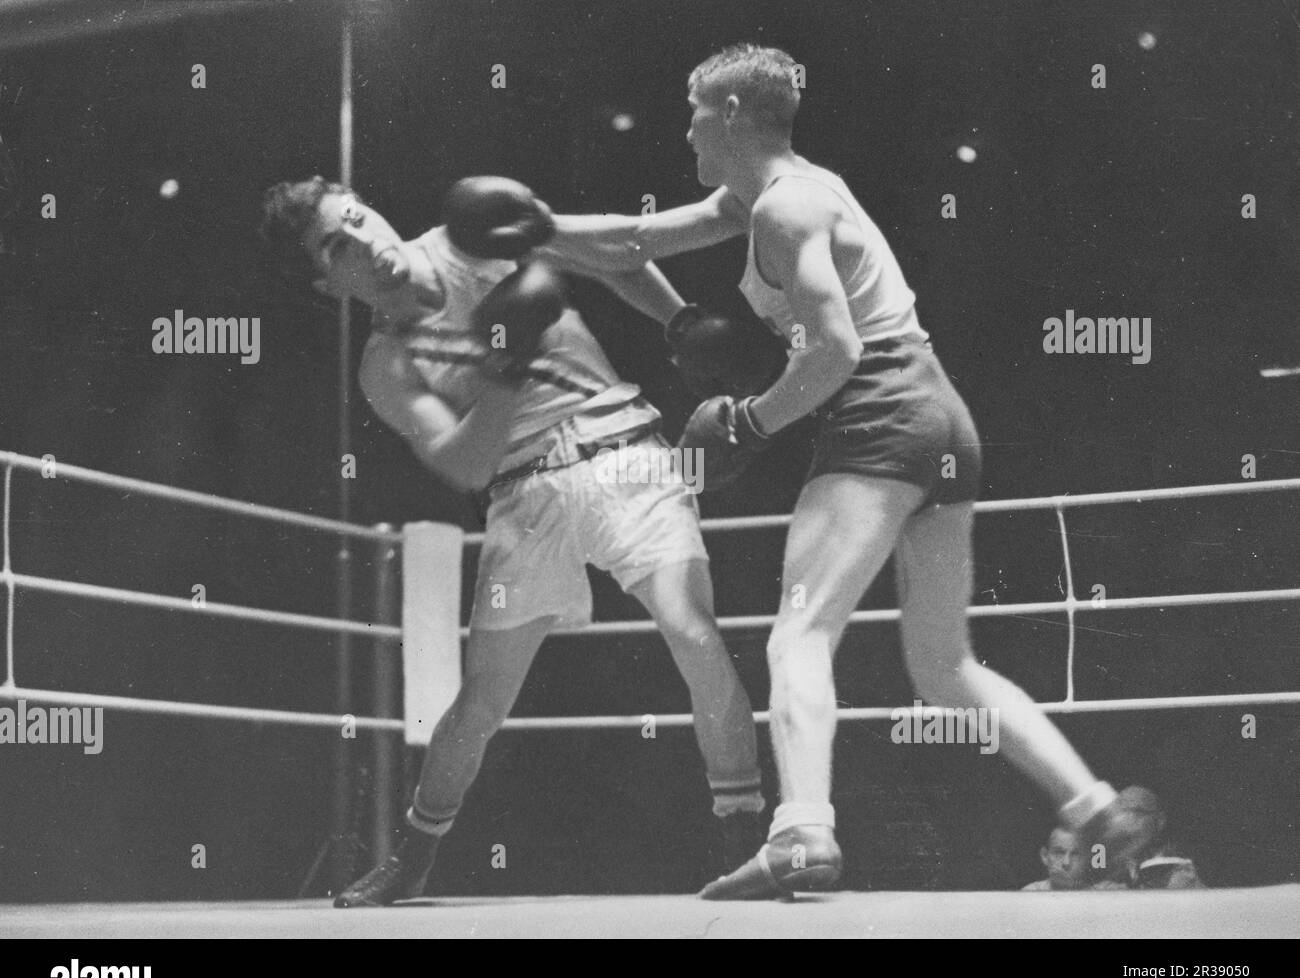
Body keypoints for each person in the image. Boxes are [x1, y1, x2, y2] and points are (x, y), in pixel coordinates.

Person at [541, 44, 1161, 899]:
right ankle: (1095, 808)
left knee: (799, 632)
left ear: (727, 115)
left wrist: (752, 420)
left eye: (692, 112)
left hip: (880, 413)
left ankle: (802, 834)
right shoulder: (777, 193)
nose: (682, 129)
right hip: (939, 413)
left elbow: (837, 347)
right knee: (944, 663)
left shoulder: (787, 211)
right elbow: (639, 238)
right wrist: (537, 229)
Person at [258, 175, 768, 906]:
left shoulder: (472, 233)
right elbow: (465, 462)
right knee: (481, 701)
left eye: (359, 218)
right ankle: (412, 858)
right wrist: (507, 361)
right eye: (339, 247)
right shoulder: (386, 365)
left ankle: (742, 839)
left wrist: (680, 318)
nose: (366, 244)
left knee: (694, 633)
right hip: (522, 493)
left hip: (623, 452)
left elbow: (616, 246)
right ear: (325, 280)